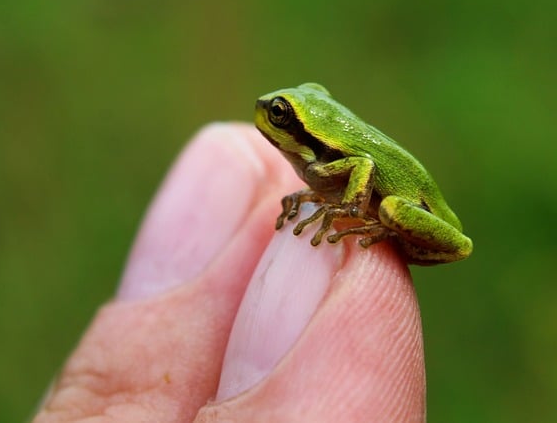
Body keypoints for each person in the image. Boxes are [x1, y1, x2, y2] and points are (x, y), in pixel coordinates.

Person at [32, 123, 425, 422]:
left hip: (411, 205)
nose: (266, 117)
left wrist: (351, 207)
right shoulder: (324, 161)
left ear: (304, 133)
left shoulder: (340, 161)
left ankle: (377, 218)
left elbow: (362, 163)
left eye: (280, 116)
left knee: (389, 210)